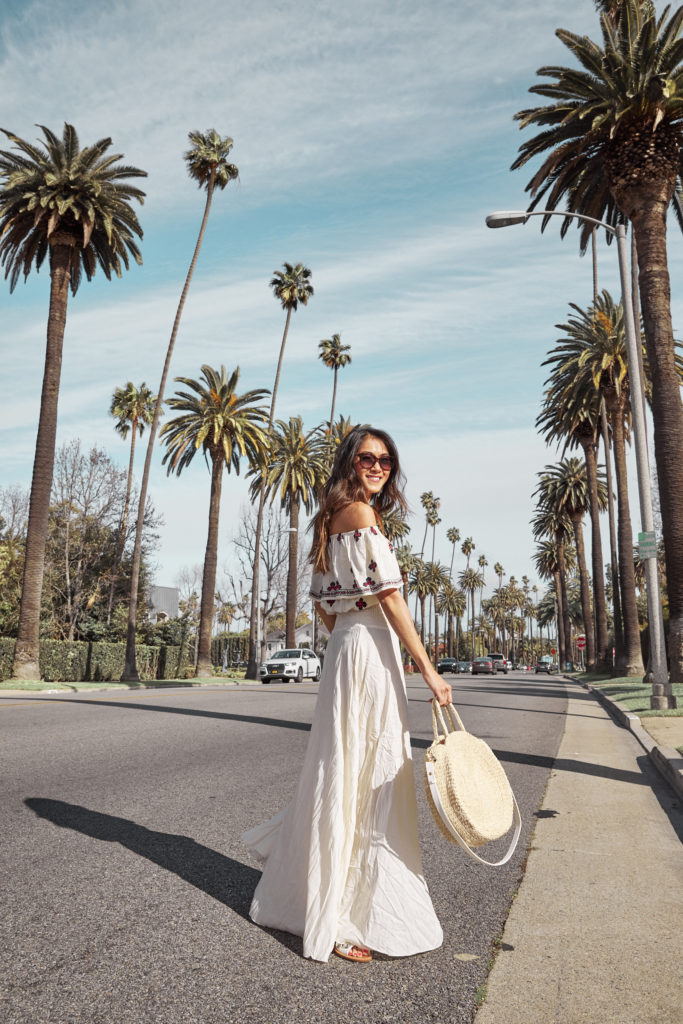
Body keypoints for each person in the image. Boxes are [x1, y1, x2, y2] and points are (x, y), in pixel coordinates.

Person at [241, 425, 451, 964]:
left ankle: (330, 901)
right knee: (364, 772)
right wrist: (427, 668)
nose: (378, 466)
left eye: (385, 459)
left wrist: (350, 641)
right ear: (349, 462)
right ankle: (342, 918)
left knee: (345, 769)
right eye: (367, 458)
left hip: (350, 652)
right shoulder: (358, 516)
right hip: (368, 652)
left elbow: (321, 602)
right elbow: (390, 597)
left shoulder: (328, 520)